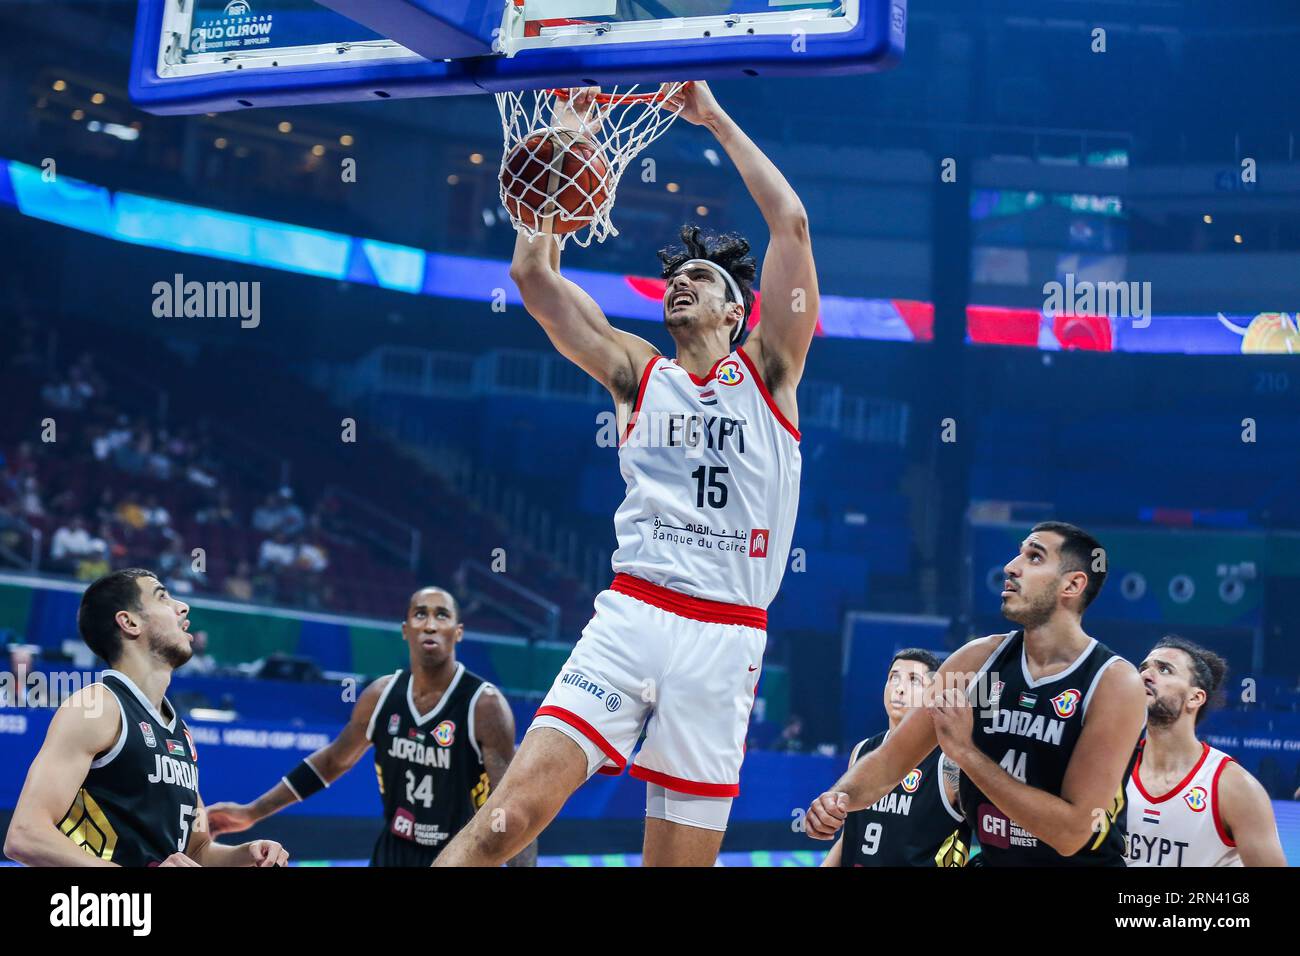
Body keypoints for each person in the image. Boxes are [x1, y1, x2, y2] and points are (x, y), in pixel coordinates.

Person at [437, 80, 817, 867]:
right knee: (506, 821)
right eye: (675, 278)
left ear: (736, 312)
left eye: (703, 281)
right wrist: (568, 135)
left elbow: (791, 223)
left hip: (726, 635)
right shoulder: (635, 371)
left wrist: (710, 115)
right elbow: (535, 282)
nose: (682, 282)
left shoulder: (772, 371)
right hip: (633, 616)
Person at [805, 522, 1147, 866]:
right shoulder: (978, 663)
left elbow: (1070, 834)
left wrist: (966, 753)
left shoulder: (1112, 683)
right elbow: (891, 760)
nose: (1012, 567)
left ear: (1072, 584)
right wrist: (838, 799)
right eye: (1019, 553)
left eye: (1034, 557)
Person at [206, 587, 534, 866]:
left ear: (457, 632)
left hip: (460, 856)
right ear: (406, 629)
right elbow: (333, 761)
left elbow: (512, 804)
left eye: (442, 615)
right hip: (393, 851)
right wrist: (252, 812)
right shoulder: (380, 696)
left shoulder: (485, 705)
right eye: (420, 614)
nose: (431, 624)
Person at [4, 568, 287, 866]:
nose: (183, 606)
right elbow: (25, 835)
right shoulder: (97, 706)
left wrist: (249, 854)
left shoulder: (179, 730)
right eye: (163, 596)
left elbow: (198, 849)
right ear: (129, 622)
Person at [1125, 636, 1285, 866]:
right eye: (1143, 668)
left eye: (1164, 669)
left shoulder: (1235, 788)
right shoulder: (1113, 766)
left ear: (1195, 697)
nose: (1145, 675)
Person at [821, 649, 969, 867]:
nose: (899, 688)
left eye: (913, 680)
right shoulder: (862, 751)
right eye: (894, 678)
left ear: (933, 694)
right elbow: (850, 836)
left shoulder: (950, 760)